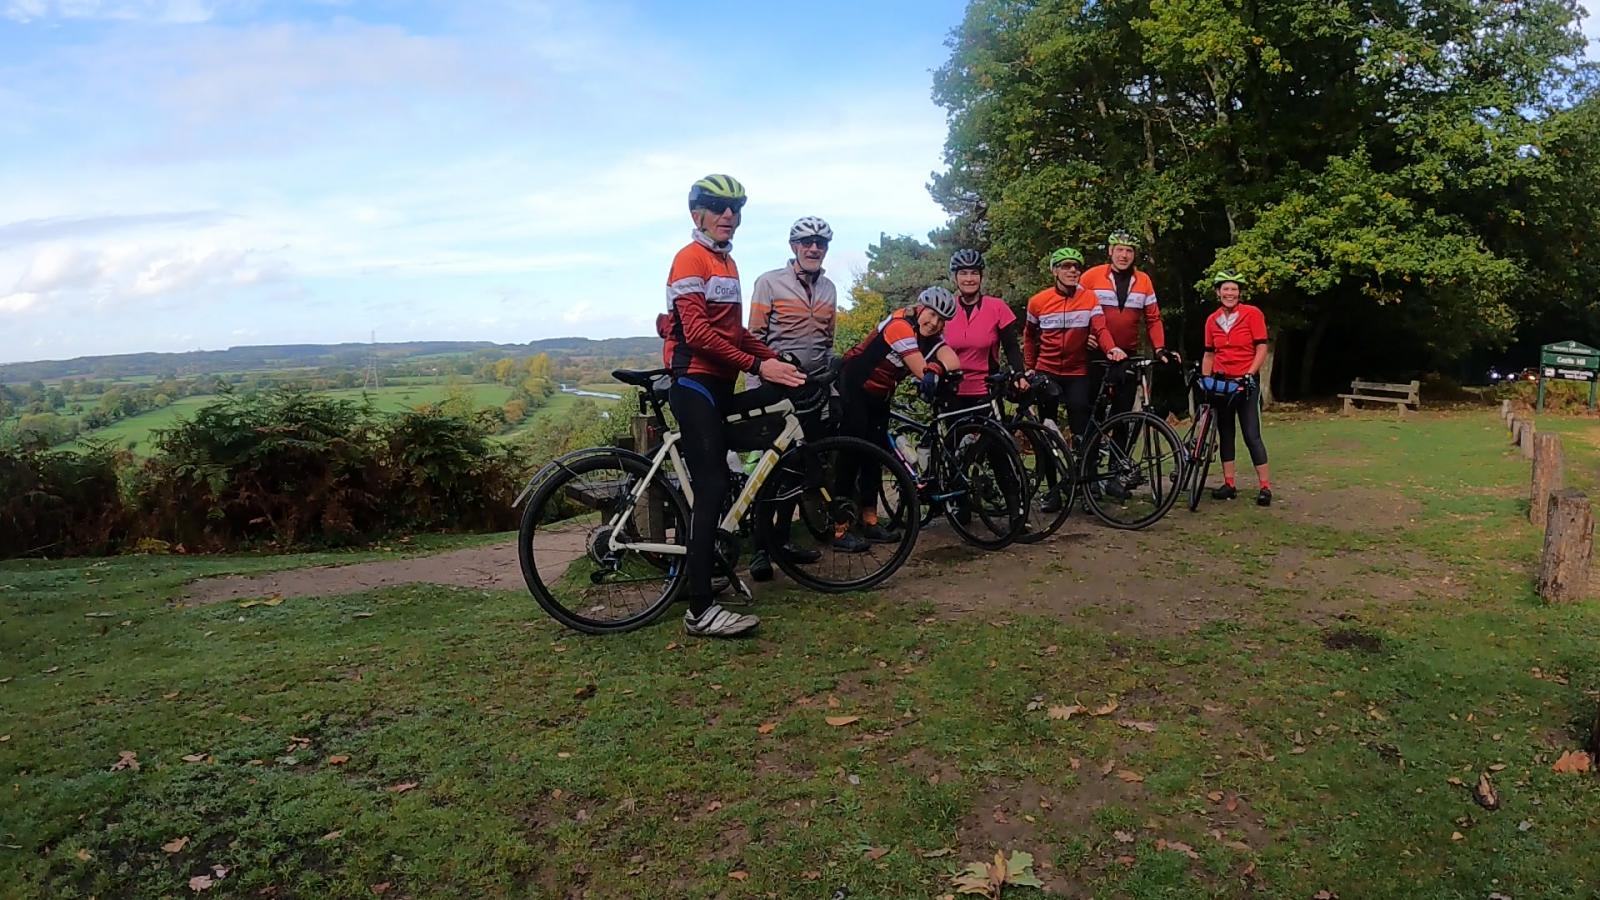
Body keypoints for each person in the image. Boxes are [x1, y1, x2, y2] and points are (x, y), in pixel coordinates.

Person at [662, 174, 805, 637]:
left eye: (736, 209)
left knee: (725, 474)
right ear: (697, 214)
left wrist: (772, 357)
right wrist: (759, 365)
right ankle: (700, 611)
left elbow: (735, 332)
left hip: (720, 381)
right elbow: (699, 334)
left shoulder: (728, 263)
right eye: (718, 207)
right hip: (694, 381)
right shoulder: (690, 258)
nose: (729, 215)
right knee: (712, 484)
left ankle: (702, 571)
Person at [836, 286, 964, 552]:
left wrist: (937, 367)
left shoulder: (929, 334)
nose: (934, 323)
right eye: (931, 314)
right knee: (852, 454)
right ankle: (839, 528)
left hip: (880, 394)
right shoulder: (899, 326)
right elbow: (919, 369)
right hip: (854, 387)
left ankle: (870, 522)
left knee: (875, 456)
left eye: (941, 320)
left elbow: (953, 360)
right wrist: (931, 371)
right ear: (920, 308)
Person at [746, 216, 837, 581]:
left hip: (811, 390)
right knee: (768, 470)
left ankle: (782, 541)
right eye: (806, 242)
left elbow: (828, 344)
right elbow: (753, 338)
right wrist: (758, 384)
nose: (814, 248)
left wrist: (832, 389)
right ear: (794, 247)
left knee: (796, 471)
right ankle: (759, 550)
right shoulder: (769, 283)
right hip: (774, 389)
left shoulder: (829, 288)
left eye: (820, 243)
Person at [1023, 247, 1128, 445]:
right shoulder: (1037, 302)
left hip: (1077, 372)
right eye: (1066, 266)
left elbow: (1100, 329)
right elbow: (1029, 336)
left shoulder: (1089, 298)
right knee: (1047, 431)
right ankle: (1051, 463)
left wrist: (1111, 349)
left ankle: (1083, 462)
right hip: (1047, 370)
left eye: (1077, 267)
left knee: (1082, 428)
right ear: (1054, 271)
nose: (1073, 271)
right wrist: (1029, 367)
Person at [1079, 230, 1174, 414]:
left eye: (1129, 251)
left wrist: (1159, 348)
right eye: (1119, 250)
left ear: (1134, 254)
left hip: (1127, 354)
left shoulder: (1143, 280)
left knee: (1123, 410)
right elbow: (1073, 307)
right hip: (1095, 352)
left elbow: (1153, 318)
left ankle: (1119, 434)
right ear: (1110, 251)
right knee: (1093, 410)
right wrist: (1082, 335)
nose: (1124, 255)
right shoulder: (1091, 276)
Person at [1201, 272, 1272, 506]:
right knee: (1226, 433)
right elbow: (1209, 353)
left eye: (1234, 289)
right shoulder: (1212, 320)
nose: (1229, 293)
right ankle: (1229, 483)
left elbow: (1261, 347)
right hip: (1223, 384)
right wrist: (1205, 380)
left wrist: (1250, 373)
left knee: (1251, 434)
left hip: (1246, 382)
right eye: (1225, 289)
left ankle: (1265, 486)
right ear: (1218, 292)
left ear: (1239, 292)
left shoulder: (1252, 314)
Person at [944, 249, 1027, 403]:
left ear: (981, 277)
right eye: (963, 273)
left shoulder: (997, 307)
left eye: (974, 273)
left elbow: (1011, 347)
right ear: (955, 277)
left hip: (988, 390)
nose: (969, 279)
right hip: (951, 390)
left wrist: (1019, 373)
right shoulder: (945, 308)